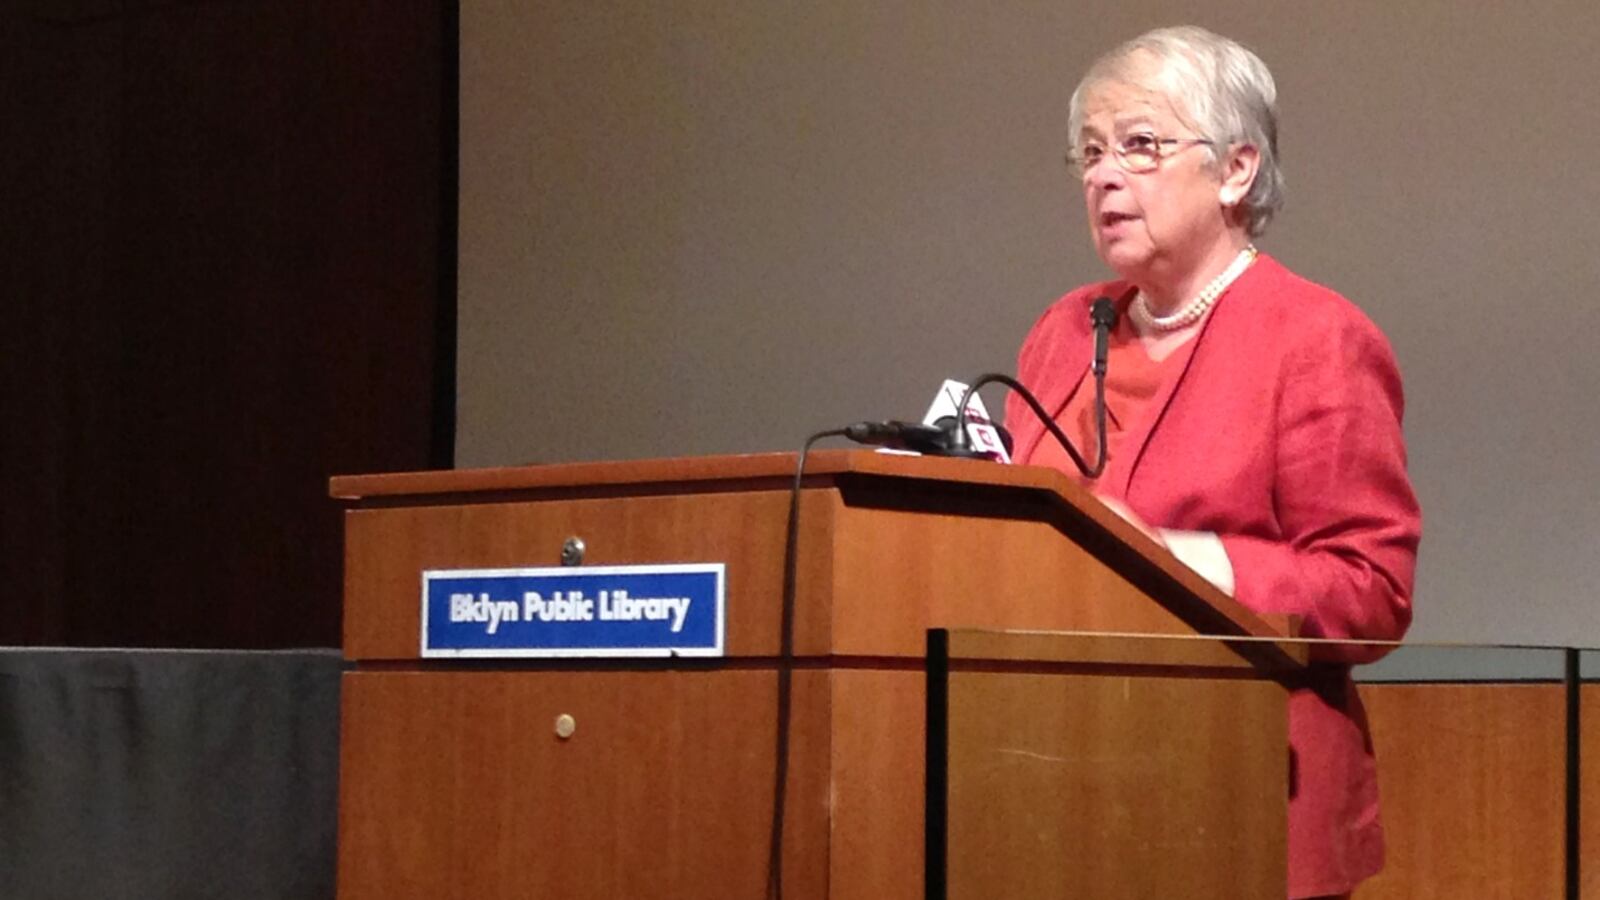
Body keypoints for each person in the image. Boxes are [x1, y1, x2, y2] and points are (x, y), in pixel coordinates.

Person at [1003, 26, 1422, 900]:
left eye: (1141, 146)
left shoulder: (1316, 339)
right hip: (1057, 790)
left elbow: (1372, 595)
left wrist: (1182, 558)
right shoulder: (1064, 331)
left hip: (1249, 803)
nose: (1103, 176)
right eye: (1090, 153)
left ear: (1235, 169)